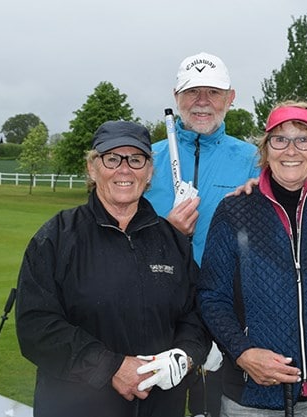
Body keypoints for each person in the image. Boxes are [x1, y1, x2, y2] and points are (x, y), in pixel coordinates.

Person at [15, 120, 210, 417]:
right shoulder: (56, 237)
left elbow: (195, 315)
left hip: (159, 408)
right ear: (93, 168)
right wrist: (111, 367)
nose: (124, 169)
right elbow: (36, 327)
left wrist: (185, 355)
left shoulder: (172, 240)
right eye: (112, 158)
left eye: (136, 159)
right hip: (75, 407)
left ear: (148, 173)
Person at [198, 101, 307, 417]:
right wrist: (242, 353)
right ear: (266, 149)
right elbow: (211, 297)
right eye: (280, 139)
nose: (291, 149)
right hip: (252, 396)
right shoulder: (234, 211)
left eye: (303, 139)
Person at [144, 51, 261, 417]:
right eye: (193, 92)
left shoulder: (254, 160)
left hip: (226, 305)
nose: (202, 102)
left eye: (213, 92)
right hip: (156, 303)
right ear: (176, 97)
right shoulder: (145, 158)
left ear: (231, 98)